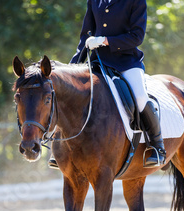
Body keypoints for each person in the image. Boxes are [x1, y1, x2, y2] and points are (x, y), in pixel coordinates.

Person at [49, 0, 166, 169]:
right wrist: (72, 67)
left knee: (140, 97)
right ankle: (58, 145)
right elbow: (85, 37)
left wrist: (105, 40)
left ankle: (157, 146)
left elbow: (136, 37)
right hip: (97, 63)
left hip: (126, 62)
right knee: (71, 95)